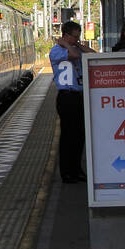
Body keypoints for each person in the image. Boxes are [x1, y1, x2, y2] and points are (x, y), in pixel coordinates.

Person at [49, 20, 93, 182]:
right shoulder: (56, 51)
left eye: (78, 36)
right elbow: (73, 56)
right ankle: (66, 172)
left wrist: (79, 45)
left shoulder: (76, 48)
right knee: (68, 135)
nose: (77, 39)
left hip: (79, 96)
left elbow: (93, 55)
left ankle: (77, 169)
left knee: (79, 135)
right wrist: (68, 45)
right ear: (65, 36)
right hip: (66, 97)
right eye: (74, 36)